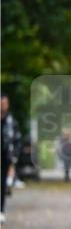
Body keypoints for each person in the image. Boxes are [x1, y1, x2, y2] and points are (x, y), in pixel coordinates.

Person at [1, 93, 21, 222]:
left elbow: (17, 139)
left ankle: (1, 210)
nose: (3, 106)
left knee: (2, 184)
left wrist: (14, 156)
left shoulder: (11, 121)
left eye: (5, 103)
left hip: (5, 156)